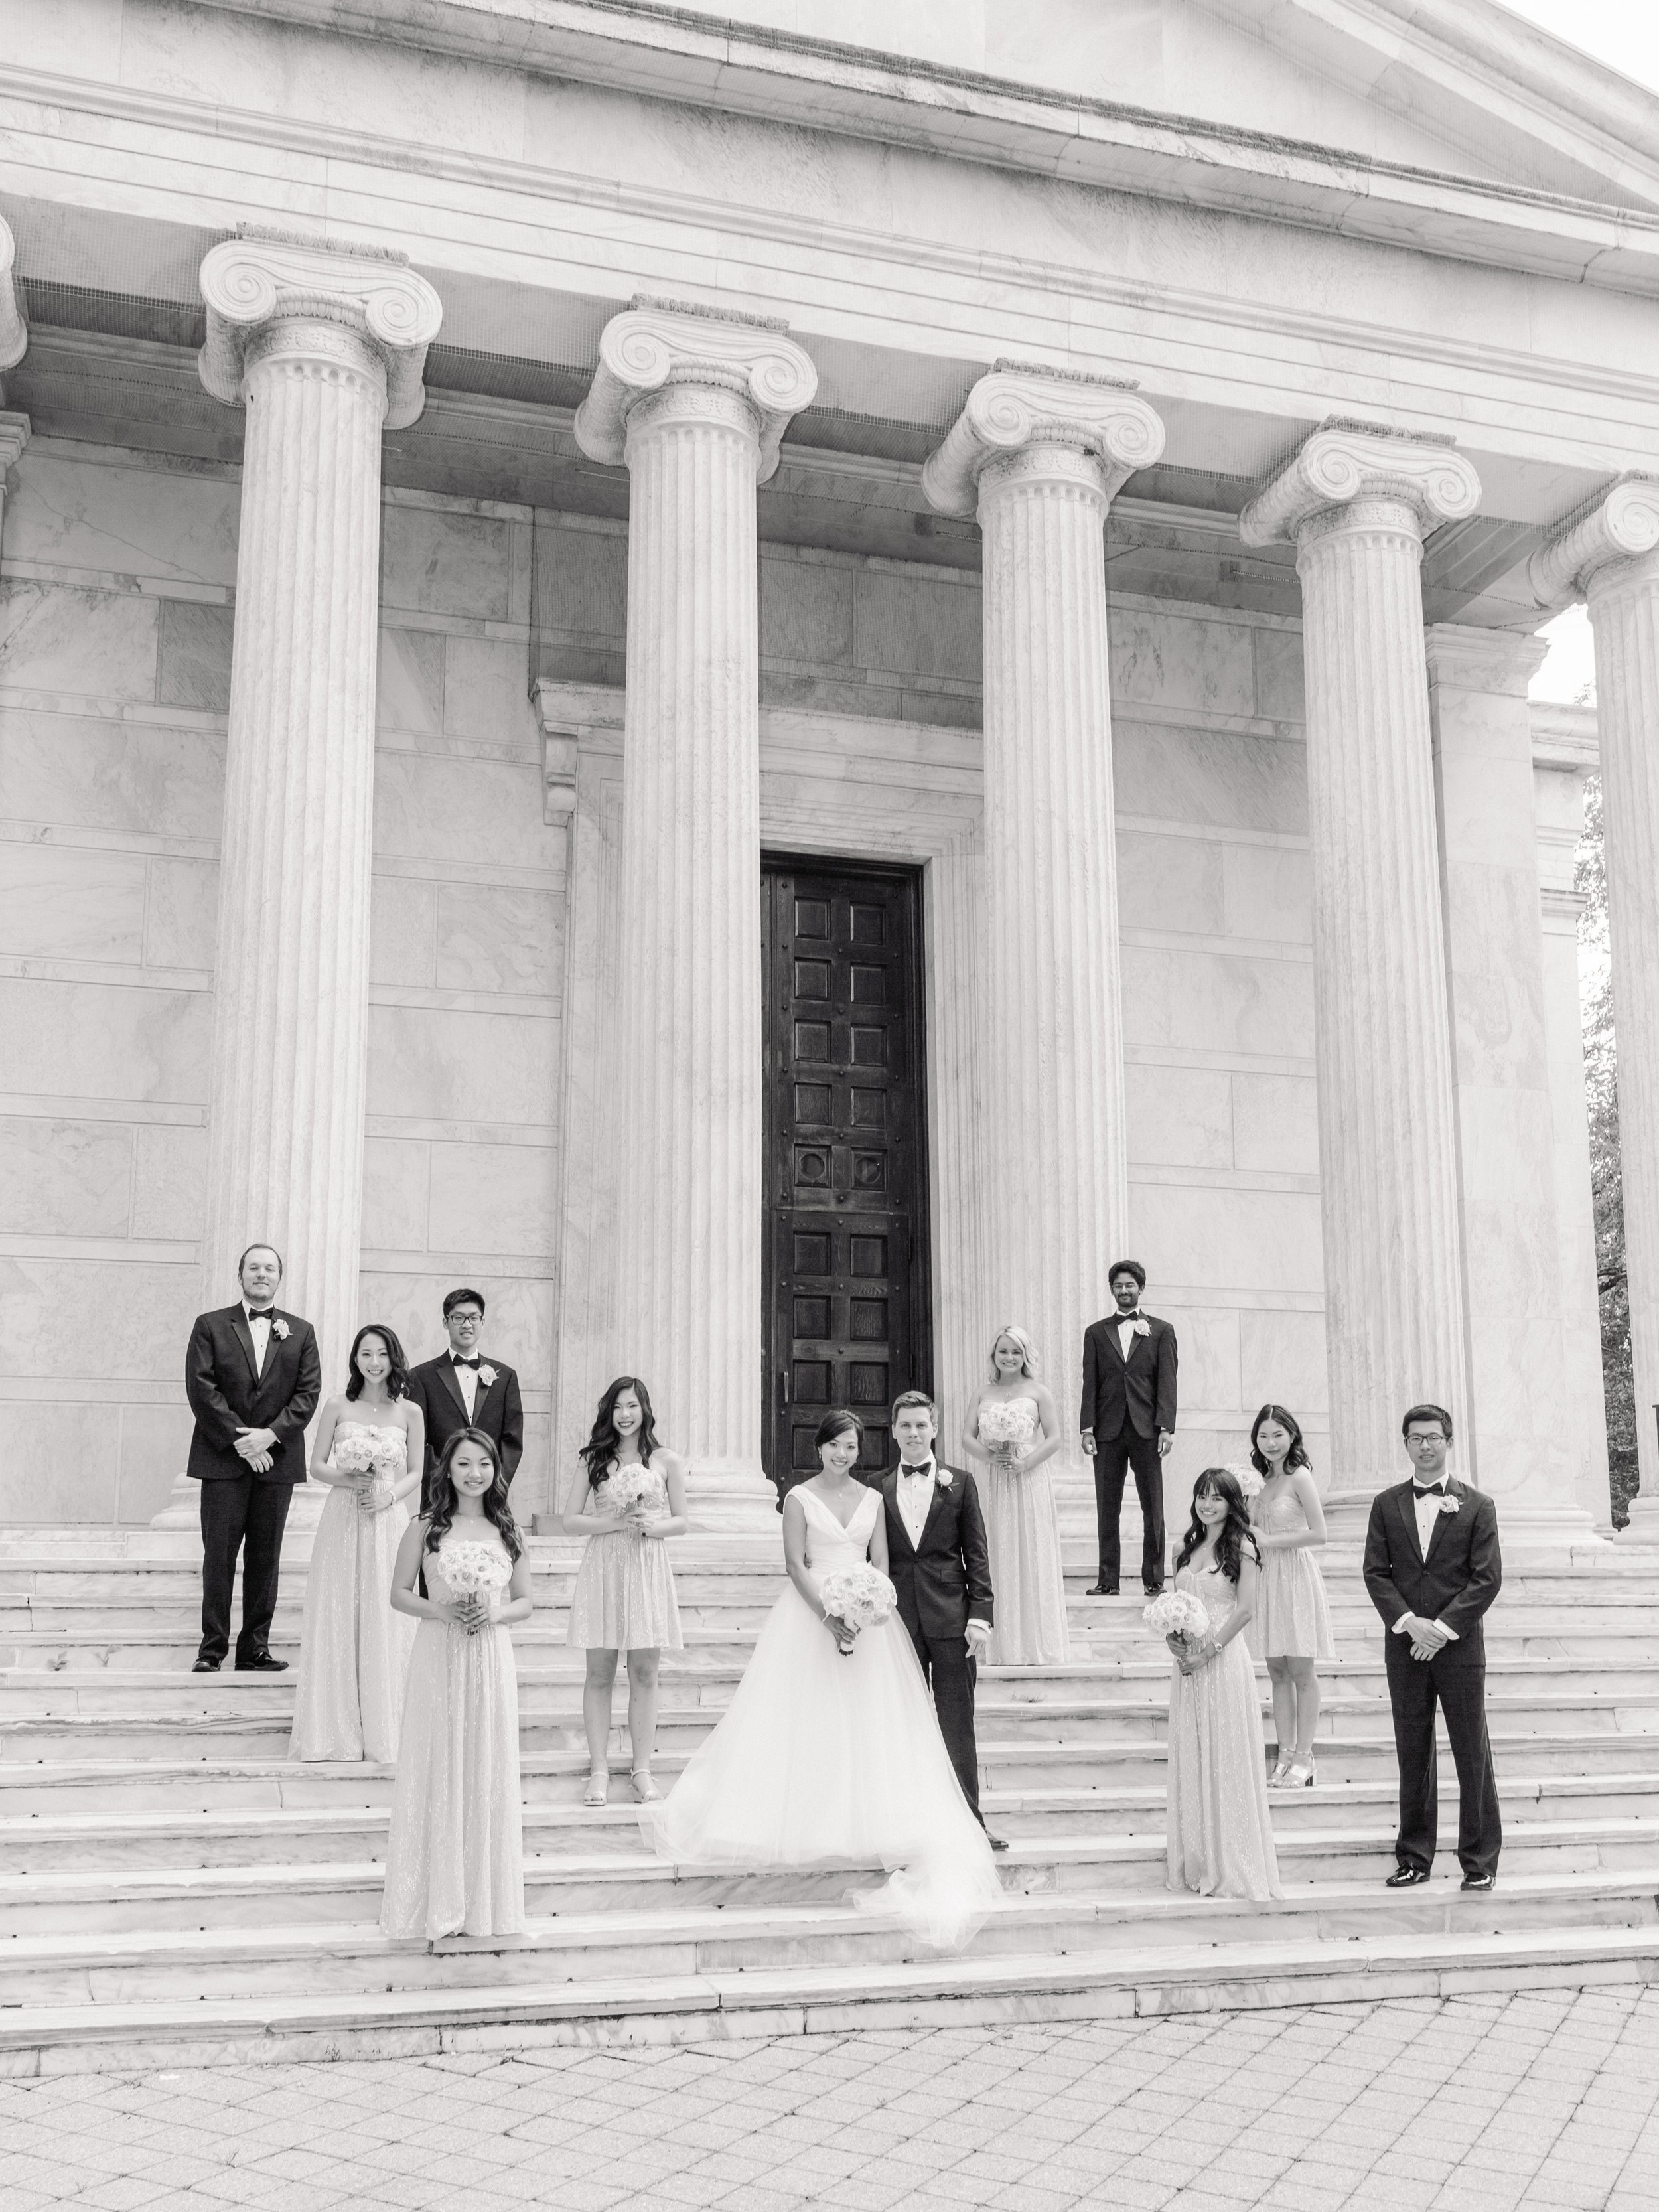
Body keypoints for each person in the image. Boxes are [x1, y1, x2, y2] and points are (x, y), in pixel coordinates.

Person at [642, 1408, 1003, 1951]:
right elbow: (794, 1563)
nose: (843, 1453)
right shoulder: (798, 1497)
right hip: (810, 1615)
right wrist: (829, 1614)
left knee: (874, 1722)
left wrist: (866, 1606)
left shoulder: (875, 1497)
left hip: (872, 1623)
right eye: (835, 1444)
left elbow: (881, 1562)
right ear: (819, 1448)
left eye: (851, 1445)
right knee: (808, 1720)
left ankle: (899, 1819)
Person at [380, 1429, 534, 1941]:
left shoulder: (506, 1528)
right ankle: (434, 1897)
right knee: (439, 1761)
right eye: (464, 1463)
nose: (475, 1473)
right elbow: (399, 1593)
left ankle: (483, 1901)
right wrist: (442, 1610)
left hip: (490, 1654)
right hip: (438, 1651)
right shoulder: (425, 1525)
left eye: (484, 1463)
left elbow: (525, 1600)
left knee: (485, 1762)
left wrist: (494, 1613)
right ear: (447, 1468)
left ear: (495, 1469)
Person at [1364, 1404, 1502, 1893]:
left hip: (1459, 1649)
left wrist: (1440, 1629)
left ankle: (1479, 1862)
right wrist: (1409, 1624)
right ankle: (1414, 1858)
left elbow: (1487, 1579)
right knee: (1413, 1753)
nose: (1425, 1445)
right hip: (1405, 1647)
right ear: (1406, 1444)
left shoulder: (1478, 1505)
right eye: (1416, 1438)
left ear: (1448, 1442)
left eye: (1434, 1437)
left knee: (1472, 1754)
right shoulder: (1386, 1504)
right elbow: (1376, 1572)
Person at [184, 1243, 322, 1674]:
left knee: (266, 1558)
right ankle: (211, 1649)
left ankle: (254, 1649)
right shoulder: (210, 1325)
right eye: (254, 1267)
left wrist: (269, 1436)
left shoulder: (301, 1331)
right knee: (219, 1556)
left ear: (279, 1277)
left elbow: (307, 1394)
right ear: (240, 1275)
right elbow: (201, 1388)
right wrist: (241, 1441)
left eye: (270, 1268)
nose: (262, 1274)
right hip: (222, 1460)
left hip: (277, 1462)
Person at [289, 1324, 423, 1763]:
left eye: (381, 1353)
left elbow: (417, 1472)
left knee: (384, 1611)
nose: (374, 1362)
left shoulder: (410, 1412)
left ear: (393, 1358)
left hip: (387, 1515)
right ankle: (334, 1731)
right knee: (340, 1608)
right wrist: (350, 1478)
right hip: (343, 1515)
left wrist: (388, 1495)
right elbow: (316, 1466)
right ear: (355, 1359)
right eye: (366, 1353)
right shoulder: (337, 1405)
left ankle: (387, 1728)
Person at [879, 1390, 1005, 1849]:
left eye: (921, 1425)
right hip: (898, 1626)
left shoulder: (962, 1483)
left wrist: (981, 1616)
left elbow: (977, 1554)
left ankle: (972, 1826)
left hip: (953, 1621)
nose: (914, 1433)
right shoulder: (876, 1487)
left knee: (957, 1726)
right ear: (893, 1431)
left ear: (934, 1429)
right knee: (902, 1727)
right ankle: (907, 1826)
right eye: (905, 1425)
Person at [563, 1376, 689, 1807]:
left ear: (645, 1409)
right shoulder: (593, 1459)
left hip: (647, 1564)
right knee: (599, 1673)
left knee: (645, 1674)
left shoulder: (666, 1460)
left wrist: (654, 1527)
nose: (625, 1414)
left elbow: (682, 1520)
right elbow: (570, 1520)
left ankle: (641, 1770)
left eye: (632, 1405)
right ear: (608, 1412)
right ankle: (599, 1769)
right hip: (605, 1564)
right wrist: (615, 1523)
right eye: (617, 1406)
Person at [1165, 1467, 1281, 1902]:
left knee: (1225, 1757)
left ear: (1232, 1503)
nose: (1207, 1504)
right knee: (1194, 1754)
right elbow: (1175, 1605)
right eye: (1202, 1496)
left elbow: (1245, 1609)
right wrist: (1173, 1637)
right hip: (1187, 1667)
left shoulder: (1243, 1546)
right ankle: (1198, 1859)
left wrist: (1209, 1651)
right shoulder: (1182, 1548)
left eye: (1217, 1497)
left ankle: (1231, 1861)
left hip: (1224, 1660)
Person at [962, 1325, 1070, 1667]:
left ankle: (1034, 1643)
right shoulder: (982, 1392)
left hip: (1029, 1476)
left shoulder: (1038, 1392)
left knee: (1030, 1548)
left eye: (1016, 1352)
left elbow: (1055, 1439)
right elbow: (967, 1438)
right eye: (1003, 1351)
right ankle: (997, 1643)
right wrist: (991, 1456)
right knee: (994, 1547)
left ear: (1025, 1356)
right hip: (993, 1477)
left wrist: (1024, 1463)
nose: (1009, 1358)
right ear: (994, 1355)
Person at [1246, 1403, 1334, 1789]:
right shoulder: (1258, 1481)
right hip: (1267, 1578)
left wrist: (1270, 1540)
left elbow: (1320, 1534)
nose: (1271, 1443)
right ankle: (1284, 1754)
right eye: (1263, 1436)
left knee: (1301, 1671)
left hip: (1295, 1574)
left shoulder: (1300, 1476)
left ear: (1292, 1435)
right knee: (1277, 1672)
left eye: (1278, 1435)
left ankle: (1305, 1756)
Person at [1080, 1260, 1178, 1598]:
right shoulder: (1095, 1333)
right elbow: (1089, 1383)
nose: (1124, 1290)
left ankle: (1155, 1580)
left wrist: (1166, 1427)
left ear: (1141, 1289)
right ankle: (1108, 1581)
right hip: (1107, 1432)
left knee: (1153, 1507)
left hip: (1147, 1430)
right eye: (1118, 1286)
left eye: (1130, 1285)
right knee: (1107, 1509)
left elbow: (1167, 1382)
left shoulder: (1162, 1331)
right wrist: (1087, 1428)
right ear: (1111, 1290)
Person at [407, 1288, 524, 1510]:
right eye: (458, 1318)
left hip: (490, 1496)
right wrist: (444, 1479)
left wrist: (492, 1481)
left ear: (483, 1322)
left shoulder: (506, 1376)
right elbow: (417, 1440)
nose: (467, 1325)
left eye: (473, 1318)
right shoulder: (421, 1377)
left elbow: (512, 1440)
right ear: (446, 1322)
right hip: (438, 1496)